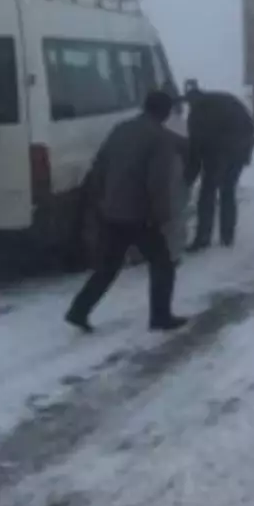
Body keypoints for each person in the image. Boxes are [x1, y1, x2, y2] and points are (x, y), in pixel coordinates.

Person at [65, 90, 188, 333]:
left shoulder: (121, 129)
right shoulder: (161, 138)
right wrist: (161, 215)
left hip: (112, 210)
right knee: (163, 263)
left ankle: (79, 310)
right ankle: (160, 317)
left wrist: (100, 199)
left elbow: (100, 164)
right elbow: (158, 182)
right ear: (164, 112)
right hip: (140, 214)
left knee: (108, 266)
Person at [183, 83, 254, 252]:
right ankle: (227, 236)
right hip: (242, 147)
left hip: (221, 151)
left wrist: (186, 180)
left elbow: (195, 150)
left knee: (207, 193)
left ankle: (202, 239)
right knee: (228, 190)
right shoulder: (223, 98)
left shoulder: (198, 114)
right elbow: (249, 124)